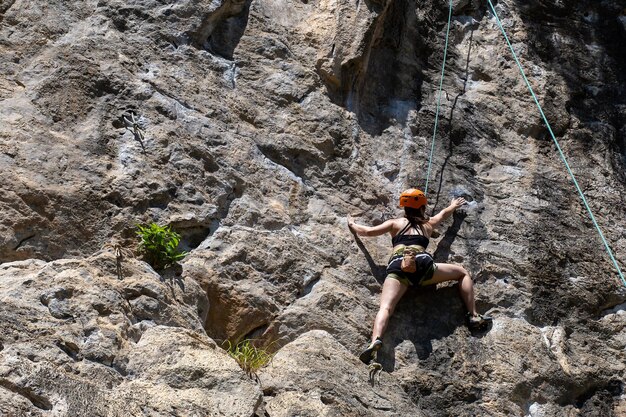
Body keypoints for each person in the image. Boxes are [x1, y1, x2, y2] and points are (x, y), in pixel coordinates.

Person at [347, 188, 491, 364]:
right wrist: (453, 205)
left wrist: (352, 224)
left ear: (404, 207)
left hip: (398, 266)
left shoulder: (395, 223)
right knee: (462, 273)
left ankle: (376, 339)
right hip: (422, 265)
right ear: (422, 206)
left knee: (385, 308)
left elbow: (368, 232)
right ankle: (474, 314)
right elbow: (443, 214)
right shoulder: (427, 224)